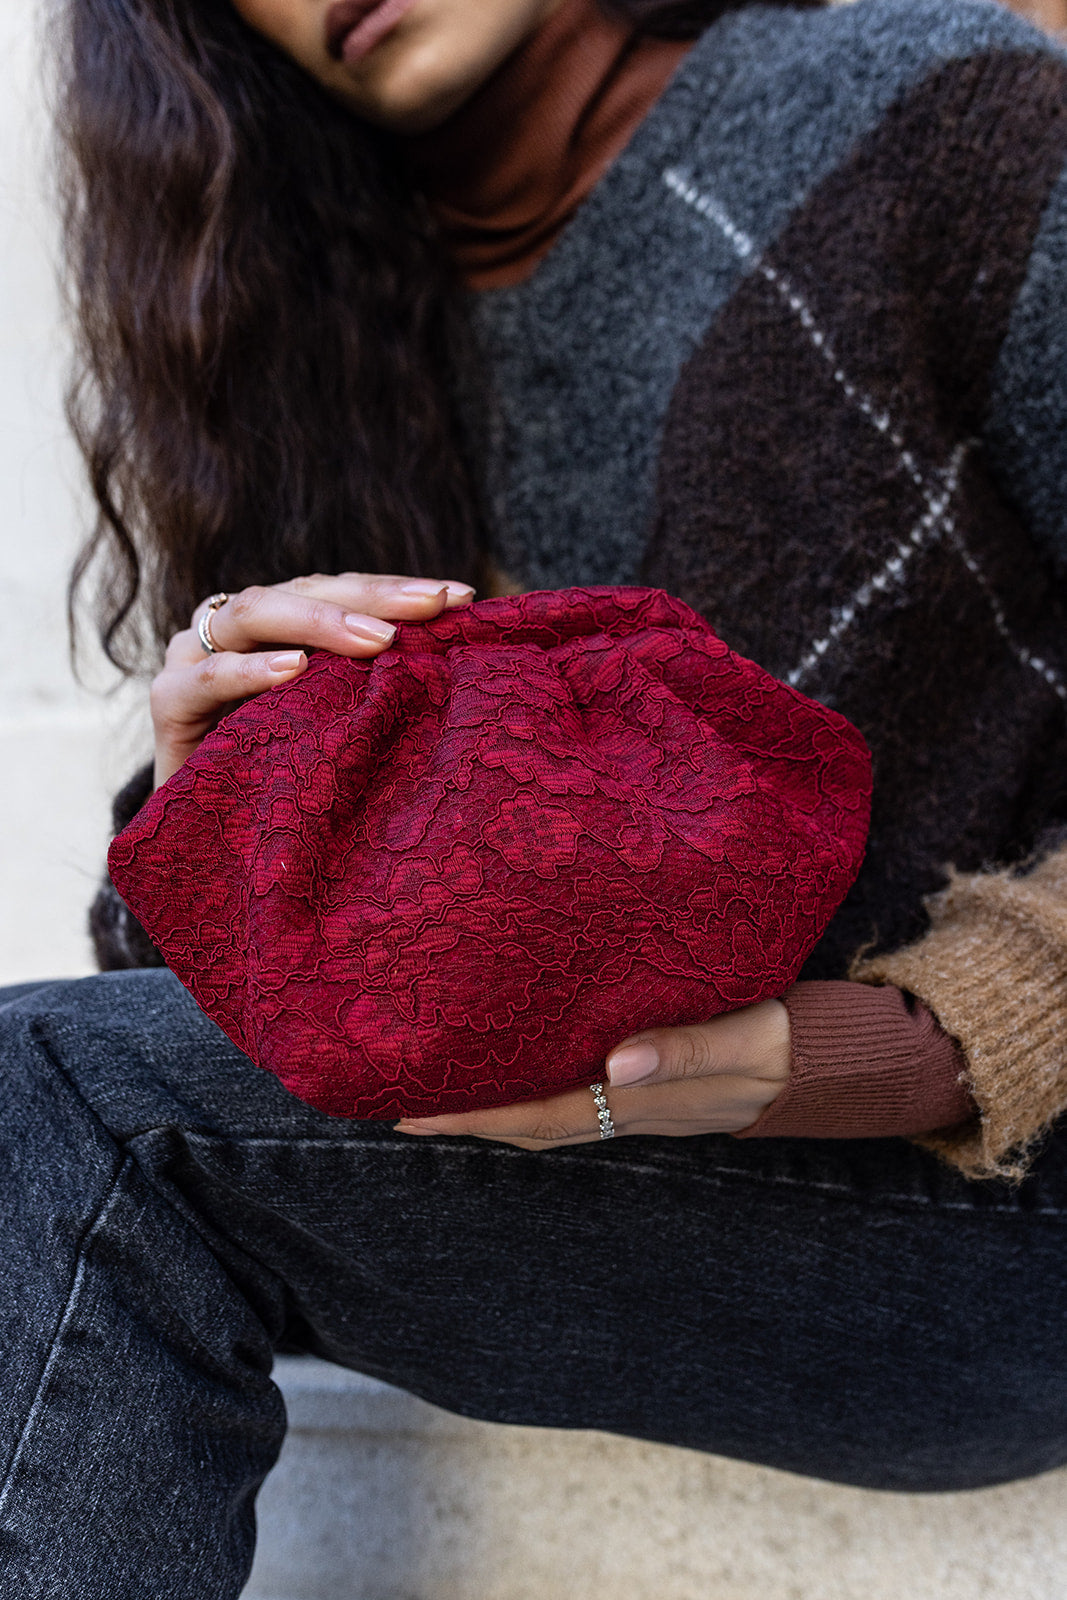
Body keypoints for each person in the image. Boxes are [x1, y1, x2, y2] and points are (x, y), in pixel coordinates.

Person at [3, 0, 1066, 1591]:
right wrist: (222, 804)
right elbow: (192, 1064)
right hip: (600, 1186)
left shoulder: (945, 116)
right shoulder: (296, 319)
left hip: (1005, 1212)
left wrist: (886, 1050)